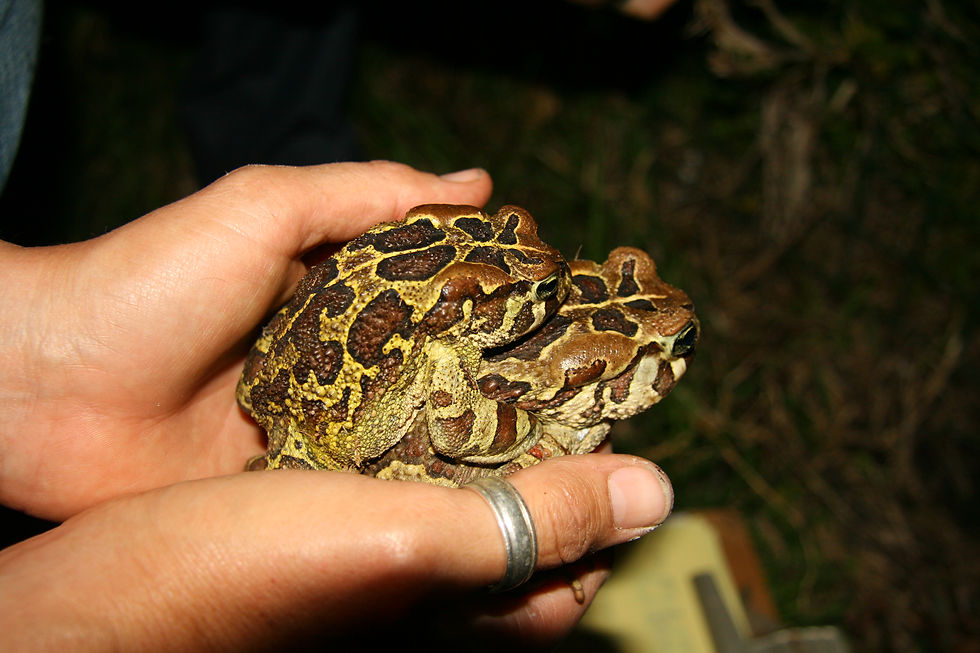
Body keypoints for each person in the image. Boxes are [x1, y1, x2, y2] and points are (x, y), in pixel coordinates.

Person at [0, 161, 674, 650]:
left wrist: (36, 353)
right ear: (465, 305)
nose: (549, 279)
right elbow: (453, 418)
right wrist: (156, 599)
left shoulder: (455, 334)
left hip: (286, 373)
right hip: (333, 435)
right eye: (528, 289)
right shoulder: (444, 357)